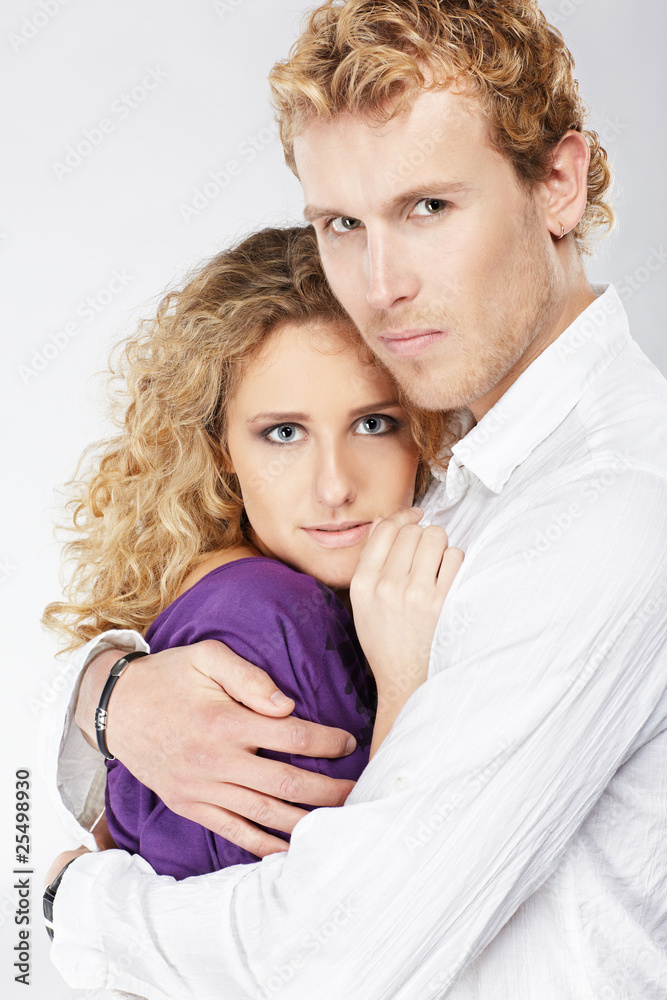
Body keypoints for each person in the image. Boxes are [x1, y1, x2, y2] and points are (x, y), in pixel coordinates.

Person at [46, 2, 667, 997]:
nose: (380, 287)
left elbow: (329, 960)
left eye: (428, 209)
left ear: (559, 182)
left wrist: (57, 905)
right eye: (342, 224)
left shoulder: (607, 512)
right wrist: (108, 692)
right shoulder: (456, 459)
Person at [43, 223, 461, 881]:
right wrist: (405, 682)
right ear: (221, 450)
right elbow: (346, 911)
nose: (335, 487)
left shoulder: (258, 592)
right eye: (284, 433)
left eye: (373, 423)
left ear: (427, 425)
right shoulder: (272, 617)